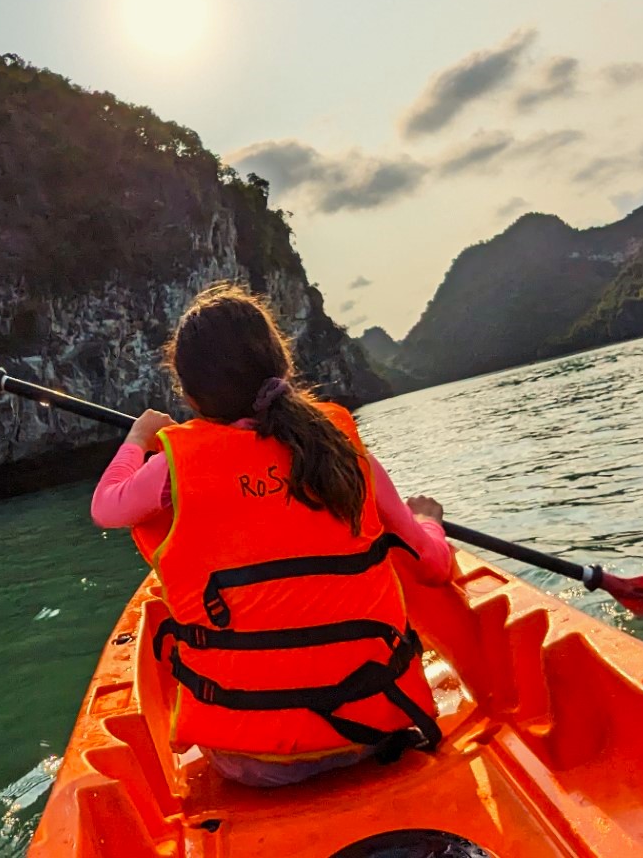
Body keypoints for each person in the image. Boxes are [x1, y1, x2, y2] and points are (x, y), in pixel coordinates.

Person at [91, 284, 456, 788]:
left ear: (191, 396)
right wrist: (430, 522)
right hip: (375, 731)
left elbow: (106, 506)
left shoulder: (173, 471)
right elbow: (434, 566)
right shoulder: (345, 455)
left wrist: (137, 440)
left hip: (252, 762)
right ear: (282, 366)